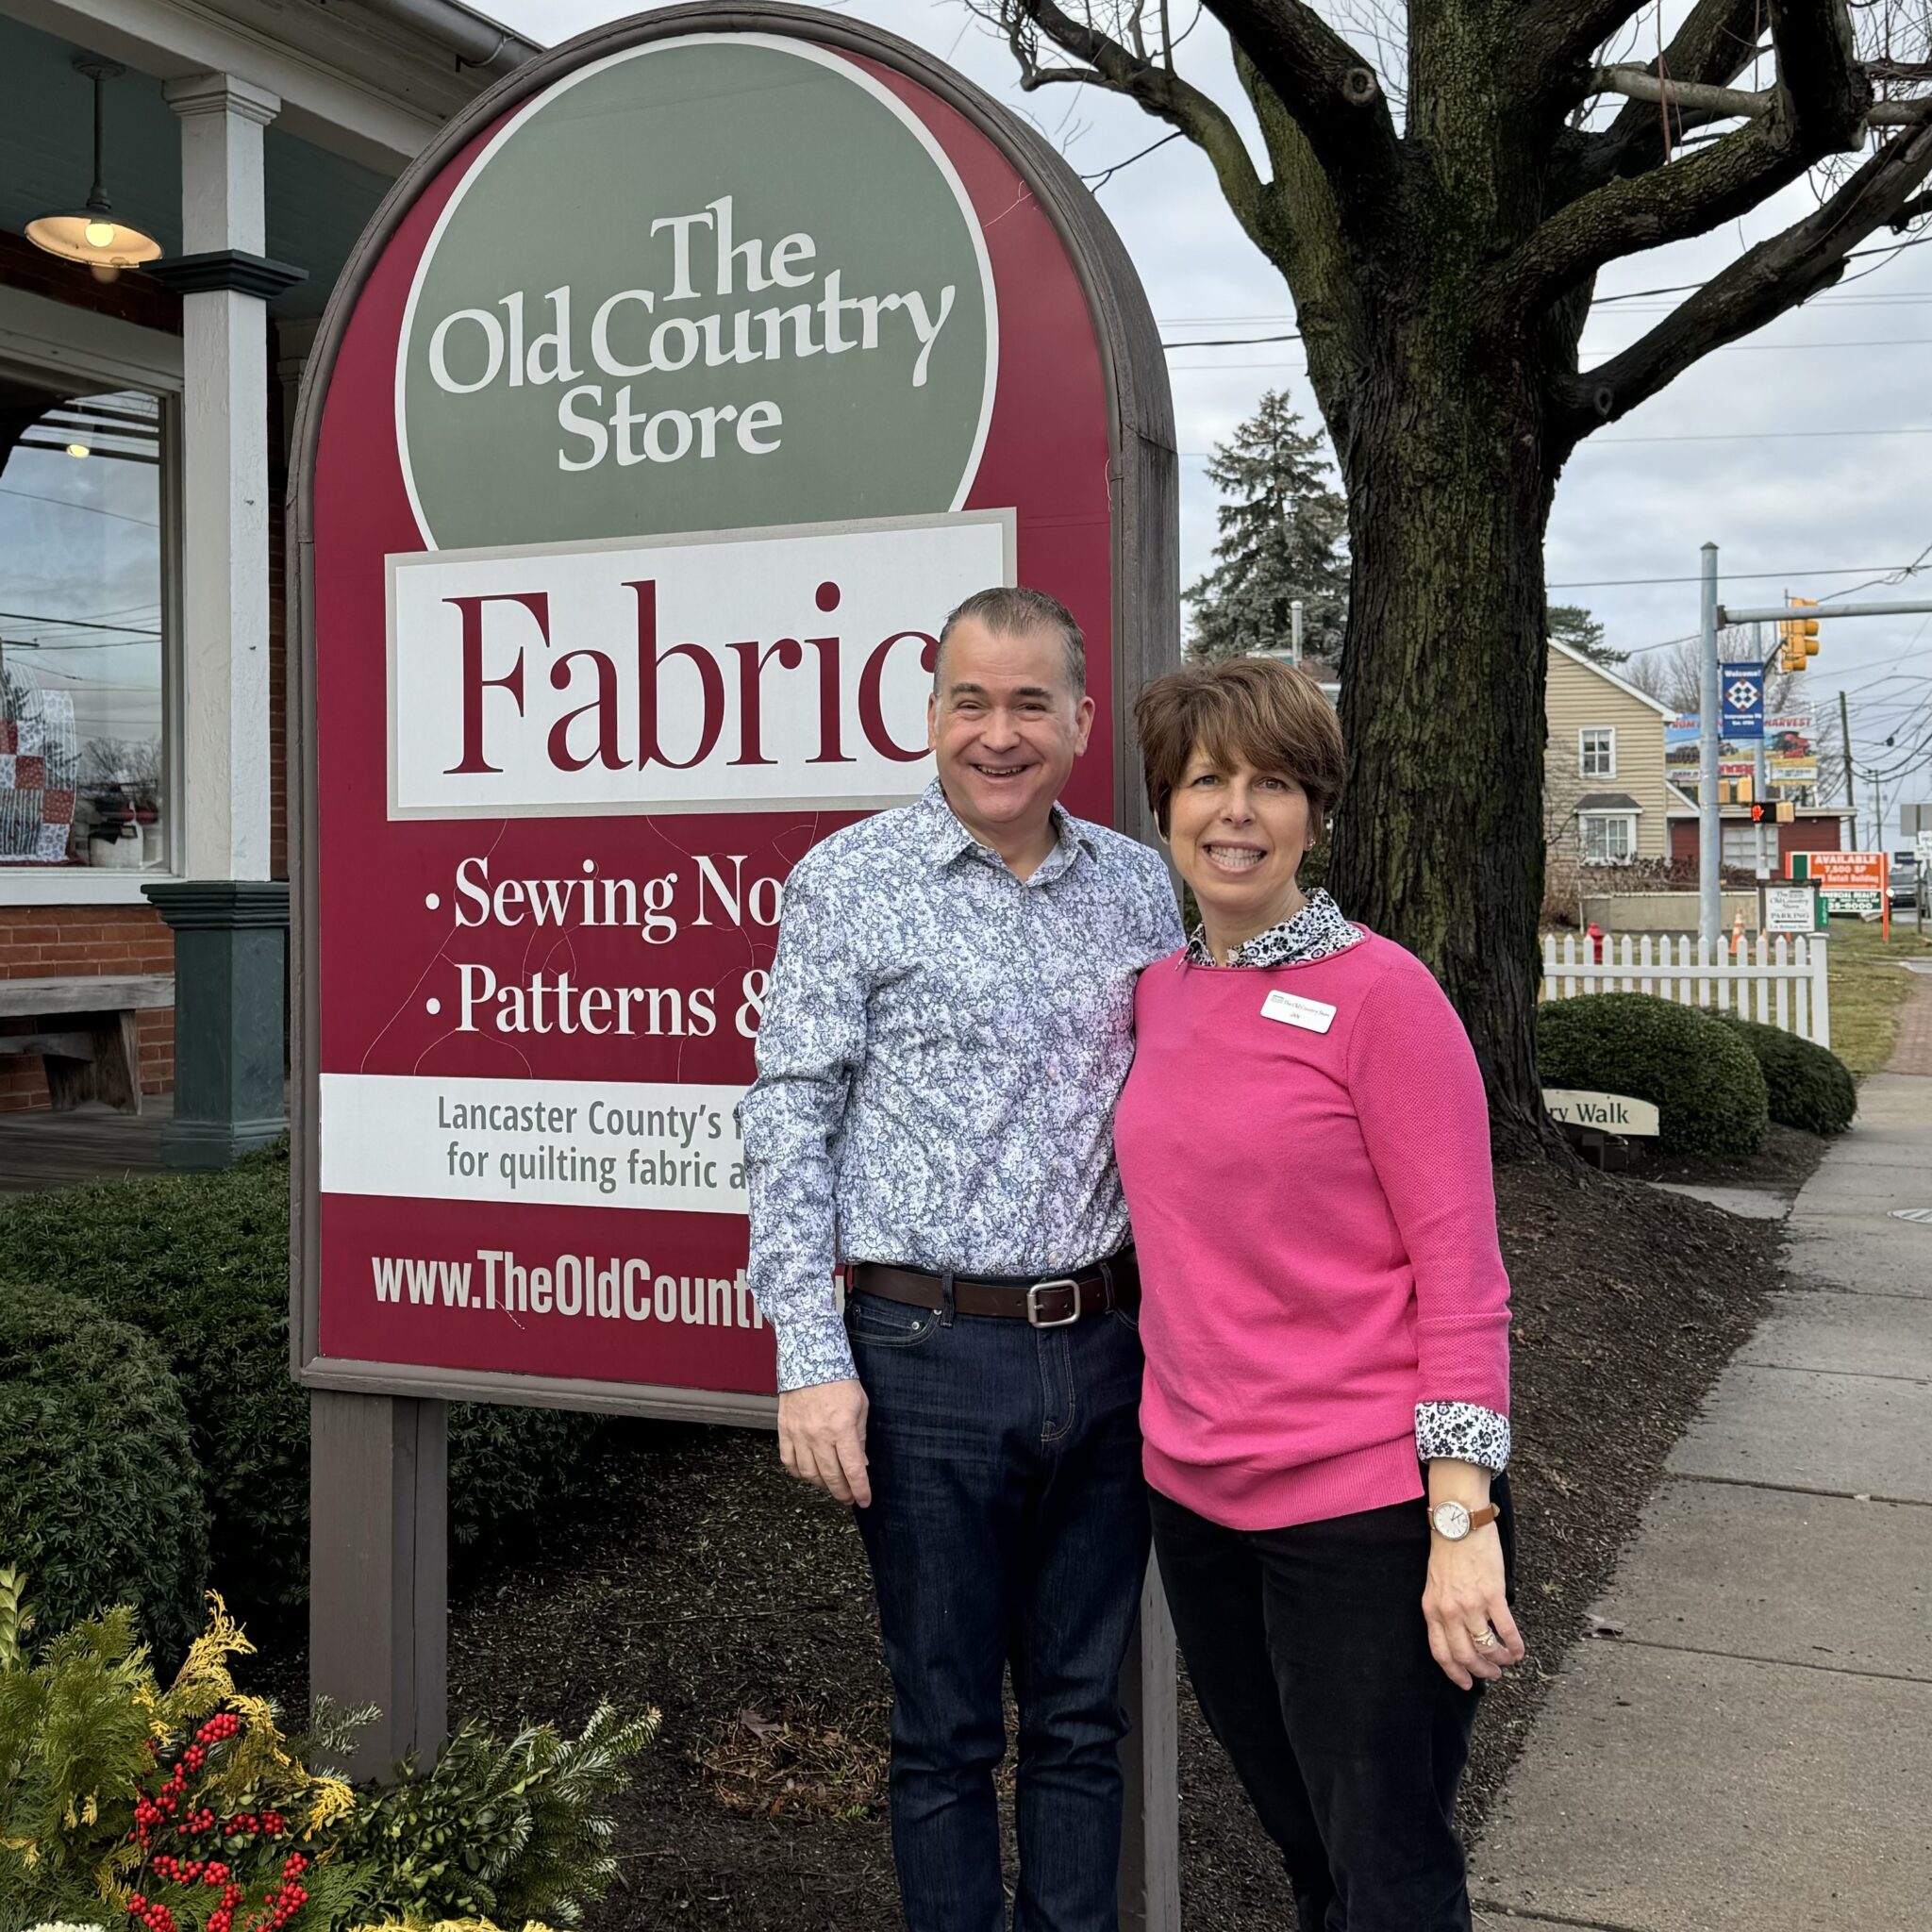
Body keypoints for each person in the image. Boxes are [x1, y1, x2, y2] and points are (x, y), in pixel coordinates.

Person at [739, 585, 1183, 1932]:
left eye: (1030, 703)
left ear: (1080, 721)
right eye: (972, 702)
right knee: (941, 1736)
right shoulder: (851, 881)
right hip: (925, 1362)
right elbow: (789, 1114)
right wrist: (810, 1364)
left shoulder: (1141, 887)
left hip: (1110, 1355)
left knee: (1079, 1723)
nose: (1001, 733)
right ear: (931, 716)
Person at [1112, 658, 1521, 1932]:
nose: (1237, 812)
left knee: (1387, 1869)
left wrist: (1463, 1525)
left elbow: (1463, 1277)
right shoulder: (1158, 996)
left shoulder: (1383, 999)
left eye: (1272, 783)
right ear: (1166, 808)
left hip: (1366, 1512)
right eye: (1206, 781)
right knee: (1306, 1854)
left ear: (1315, 810)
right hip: (1195, 1498)